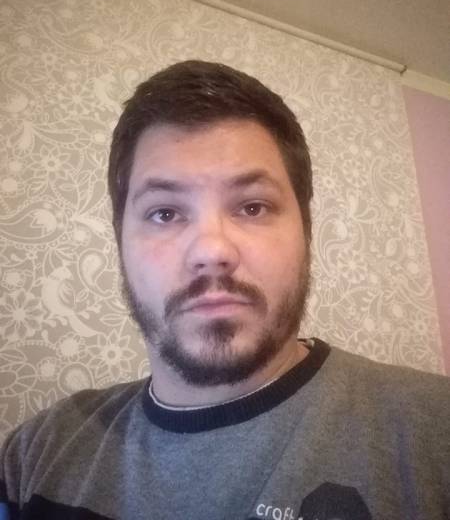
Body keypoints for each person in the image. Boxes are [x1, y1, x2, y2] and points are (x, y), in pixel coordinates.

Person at [0, 60, 449, 520]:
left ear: (306, 230)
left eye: (253, 207)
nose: (212, 250)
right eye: (164, 213)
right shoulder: (34, 455)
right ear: (120, 242)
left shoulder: (437, 429)